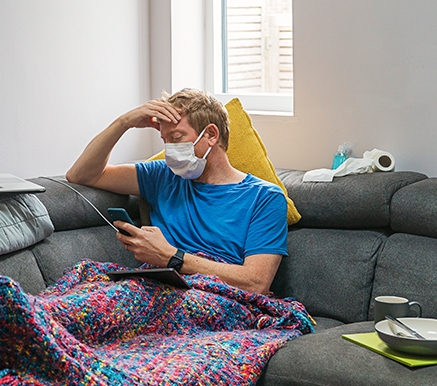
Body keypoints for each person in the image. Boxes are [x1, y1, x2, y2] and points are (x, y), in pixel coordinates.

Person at [65, 88, 288, 294]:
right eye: (165, 141)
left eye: (177, 138)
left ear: (211, 134)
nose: (170, 150)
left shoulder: (265, 198)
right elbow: (82, 175)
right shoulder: (161, 176)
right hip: (155, 288)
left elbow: (256, 283)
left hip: (215, 297)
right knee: (81, 280)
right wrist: (123, 123)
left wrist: (171, 257)